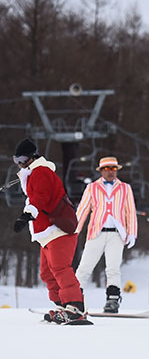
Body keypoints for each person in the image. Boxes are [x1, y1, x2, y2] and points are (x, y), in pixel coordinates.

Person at [12, 138, 87, 324]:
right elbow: (34, 197)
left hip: (58, 230)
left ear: (32, 157)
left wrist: (26, 216)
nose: (20, 163)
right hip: (47, 233)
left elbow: (40, 198)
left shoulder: (41, 172)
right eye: (16, 160)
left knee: (60, 269)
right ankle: (62, 305)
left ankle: (75, 306)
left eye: (22, 159)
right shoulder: (32, 173)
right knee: (47, 273)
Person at [75, 156, 138, 313]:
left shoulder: (125, 188)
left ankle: (113, 300)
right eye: (107, 169)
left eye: (114, 169)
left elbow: (130, 212)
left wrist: (132, 233)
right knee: (84, 268)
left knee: (113, 268)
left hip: (116, 234)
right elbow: (82, 210)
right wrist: (74, 230)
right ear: (101, 171)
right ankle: (74, 299)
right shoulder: (92, 188)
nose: (111, 172)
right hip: (96, 232)